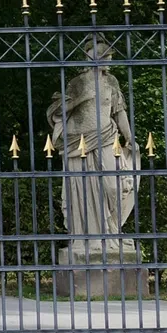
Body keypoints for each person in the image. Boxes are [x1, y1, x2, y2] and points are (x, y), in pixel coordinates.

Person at [48, 37, 140, 264]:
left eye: (110, 57)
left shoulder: (112, 82)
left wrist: (129, 137)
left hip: (108, 137)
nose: (109, 61)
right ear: (93, 58)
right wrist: (80, 99)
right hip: (78, 142)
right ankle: (87, 238)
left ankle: (111, 231)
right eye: (105, 57)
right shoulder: (78, 83)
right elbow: (57, 110)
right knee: (83, 190)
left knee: (114, 185)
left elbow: (118, 112)